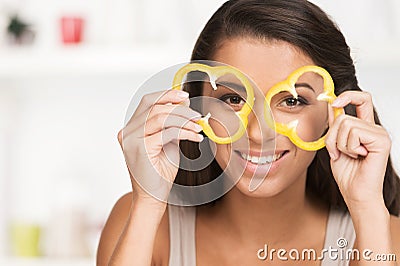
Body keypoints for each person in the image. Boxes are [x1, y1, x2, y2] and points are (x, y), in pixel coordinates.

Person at [96, 0, 400, 265]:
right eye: (232, 99)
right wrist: (148, 204)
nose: (258, 132)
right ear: (197, 105)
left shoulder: (385, 237)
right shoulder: (141, 224)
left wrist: (367, 209)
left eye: (292, 101)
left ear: (334, 114)